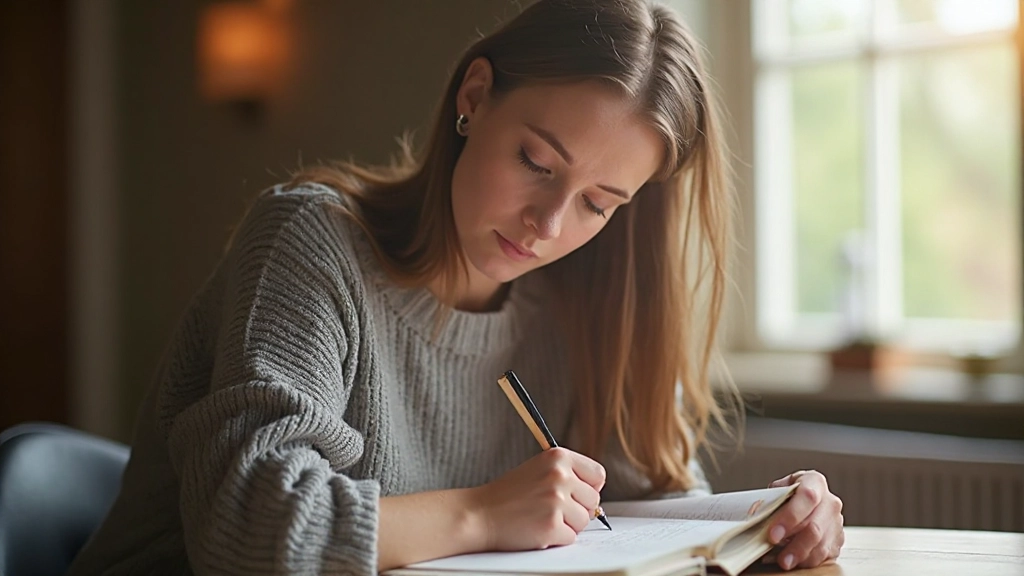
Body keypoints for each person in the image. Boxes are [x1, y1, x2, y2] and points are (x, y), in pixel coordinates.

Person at [69, 0, 844, 574]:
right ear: (473, 98)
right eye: (537, 164)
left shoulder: (583, 306)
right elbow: (250, 529)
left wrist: (768, 523)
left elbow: (648, 515)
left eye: (598, 203)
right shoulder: (311, 243)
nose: (548, 224)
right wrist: (481, 513)